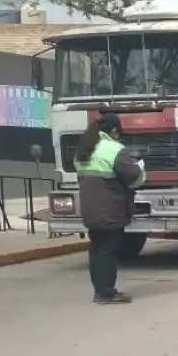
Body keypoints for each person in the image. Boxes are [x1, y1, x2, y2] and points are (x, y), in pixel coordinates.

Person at [74, 113, 146, 304]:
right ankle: (106, 293)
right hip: (109, 208)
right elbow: (132, 176)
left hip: (90, 207)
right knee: (108, 251)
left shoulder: (85, 148)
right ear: (114, 131)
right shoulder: (114, 149)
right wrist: (140, 167)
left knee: (97, 249)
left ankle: (100, 290)